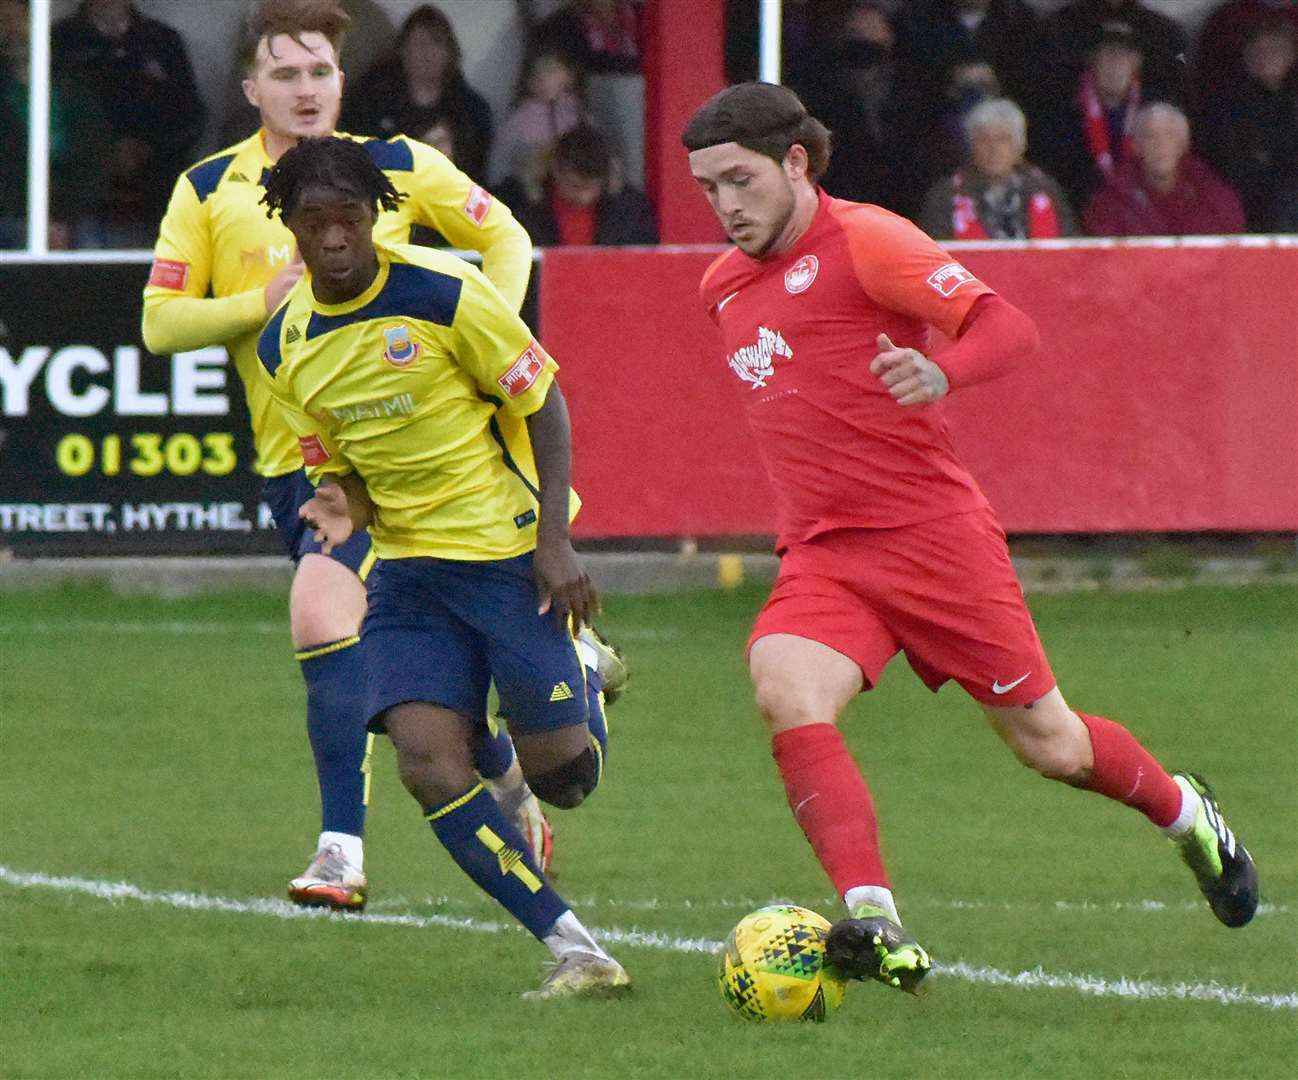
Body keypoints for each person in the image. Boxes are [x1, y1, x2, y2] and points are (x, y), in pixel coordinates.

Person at [682, 81, 1259, 996]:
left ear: (796, 162)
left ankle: (1188, 813)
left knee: (1053, 746)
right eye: (709, 189)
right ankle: (874, 917)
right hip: (829, 554)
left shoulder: (868, 239)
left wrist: (938, 371)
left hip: (933, 539)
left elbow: (1008, 326)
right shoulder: (721, 289)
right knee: (785, 685)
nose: (726, 206)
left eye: (741, 181)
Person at [140, 0, 623, 914]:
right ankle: (531, 755)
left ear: (342, 78)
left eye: (320, 70)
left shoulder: (395, 166)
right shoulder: (208, 188)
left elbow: (503, 236)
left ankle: (340, 850)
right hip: (306, 465)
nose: (306, 88)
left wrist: (489, 354)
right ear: (251, 88)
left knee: (324, 619)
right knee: (417, 683)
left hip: (426, 465)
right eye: (284, 73)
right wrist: (261, 304)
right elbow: (159, 323)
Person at [255, 135, 630, 999]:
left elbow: (545, 403)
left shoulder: (447, 292)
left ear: (374, 217)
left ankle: (577, 663)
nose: (334, 236)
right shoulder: (285, 346)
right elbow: (333, 452)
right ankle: (576, 949)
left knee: (564, 782)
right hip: (409, 576)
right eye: (314, 222)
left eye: (348, 217)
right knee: (426, 762)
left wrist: (554, 544)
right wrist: (339, 498)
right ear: (293, 229)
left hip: (506, 555)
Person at [51, 0, 205, 248]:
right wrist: (102, 152)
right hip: (81, 199)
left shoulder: (162, 41)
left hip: (156, 196)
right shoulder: (59, 40)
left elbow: (191, 117)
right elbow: (48, 121)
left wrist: (149, 149)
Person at [0, 0, 110, 249]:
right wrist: (36, 223)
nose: (10, 29)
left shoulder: (75, 88)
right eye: (1, 21)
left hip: (73, 216)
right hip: (10, 216)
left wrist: (63, 220)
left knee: (91, 248)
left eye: (17, 19)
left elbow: (96, 156)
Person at [340, 4, 493, 181]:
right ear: (403, 50)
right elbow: (352, 150)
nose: (427, 53)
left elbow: (475, 172)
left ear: (449, 52)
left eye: (436, 43)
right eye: (419, 43)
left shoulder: (472, 110)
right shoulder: (370, 97)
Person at [918, 97, 1078, 239]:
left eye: (1003, 139)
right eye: (984, 140)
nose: (993, 149)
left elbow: (1071, 246)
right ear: (972, 147)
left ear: (1019, 147)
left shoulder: (1046, 189)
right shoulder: (945, 196)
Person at [1083, 103, 1246, 236]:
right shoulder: (1112, 199)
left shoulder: (1213, 197)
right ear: (1136, 146)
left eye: (1170, 136)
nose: (1160, 145)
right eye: (1150, 136)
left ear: (1184, 145)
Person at [1196, 19, 1298, 232]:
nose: (1267, 56)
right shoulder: (1226, 103)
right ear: (1247, 56)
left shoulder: (1292, 97)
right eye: (1260, 49)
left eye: (1276, 49)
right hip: (1251, 205)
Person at [496, 123, 657, 246]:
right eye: (575, 186)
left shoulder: (629, 211)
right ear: (555, 171)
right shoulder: (522, 208)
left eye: (593, 188)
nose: (584, 197)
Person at [488, 45, 587, 190]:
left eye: (552, 70)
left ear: (569, 76)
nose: (544, 78)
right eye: (538, 73)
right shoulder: (518, 120)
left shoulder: (579, 116)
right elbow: (497, 168)